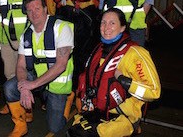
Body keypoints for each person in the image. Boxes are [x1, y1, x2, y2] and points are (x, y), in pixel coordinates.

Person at [66, 7, 161, 137]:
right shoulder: (98, 49)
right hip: (96, 111)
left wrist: (123, 80)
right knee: (73, 132)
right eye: (103, 22)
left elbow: (154, 91)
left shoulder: (135, 54)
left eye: (112, 23)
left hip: (122, 115)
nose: (106, 27)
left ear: (122, 27)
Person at [4, 0, 74, 136]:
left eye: (37, 8)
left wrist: (32, 85)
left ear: (45, 9)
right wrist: (24, 86)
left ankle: (68, 99)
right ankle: (21, 125)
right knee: (10, 87)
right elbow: (21, 65)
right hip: (37, 77)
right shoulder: (26, 34)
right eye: (30, 10)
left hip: (57, 83)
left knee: (56, 128)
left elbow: (61, 65)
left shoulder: (62, 28)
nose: (33, 13)